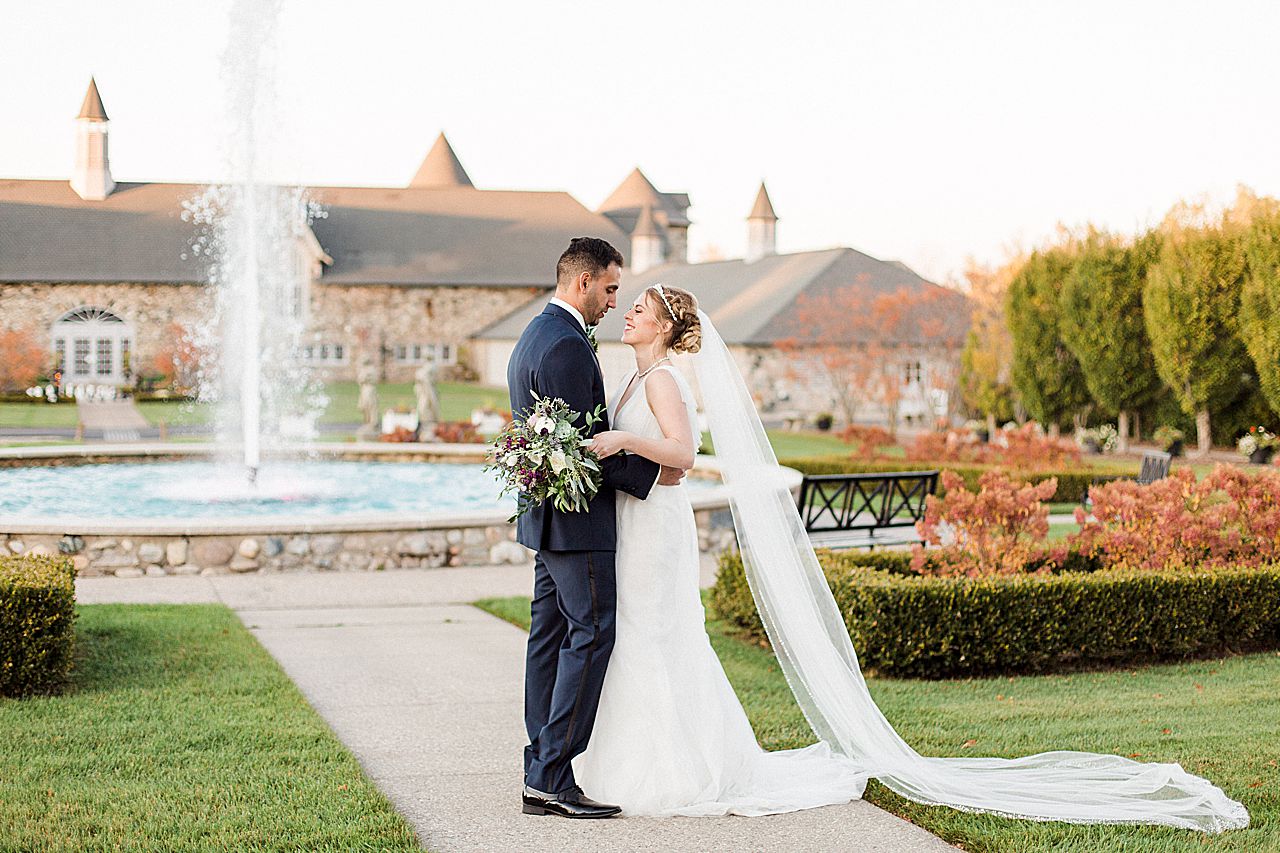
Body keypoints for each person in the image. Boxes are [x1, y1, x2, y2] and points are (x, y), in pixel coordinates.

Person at [574, 283, 1248, 832]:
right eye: (628, 305)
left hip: (658, 532)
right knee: (642, 635)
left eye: (639, 308)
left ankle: (669, 768)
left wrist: (620, 442)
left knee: (658, 635)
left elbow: (685, 458)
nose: (627, 312)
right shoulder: (637, 377)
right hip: (640, 523)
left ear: (662, 327)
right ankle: (634, 758)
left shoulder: (663, 381)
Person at [507, 237, 684, 819]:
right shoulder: (565, 348)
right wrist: (653, 474)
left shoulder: (536, 334)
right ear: (582, 282)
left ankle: (541, 766)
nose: (614, 301)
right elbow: (582, 450)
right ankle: (553, 775)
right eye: (610, 288)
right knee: (590, 634)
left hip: (547, 521)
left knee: (549, 638)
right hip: (577, 522)